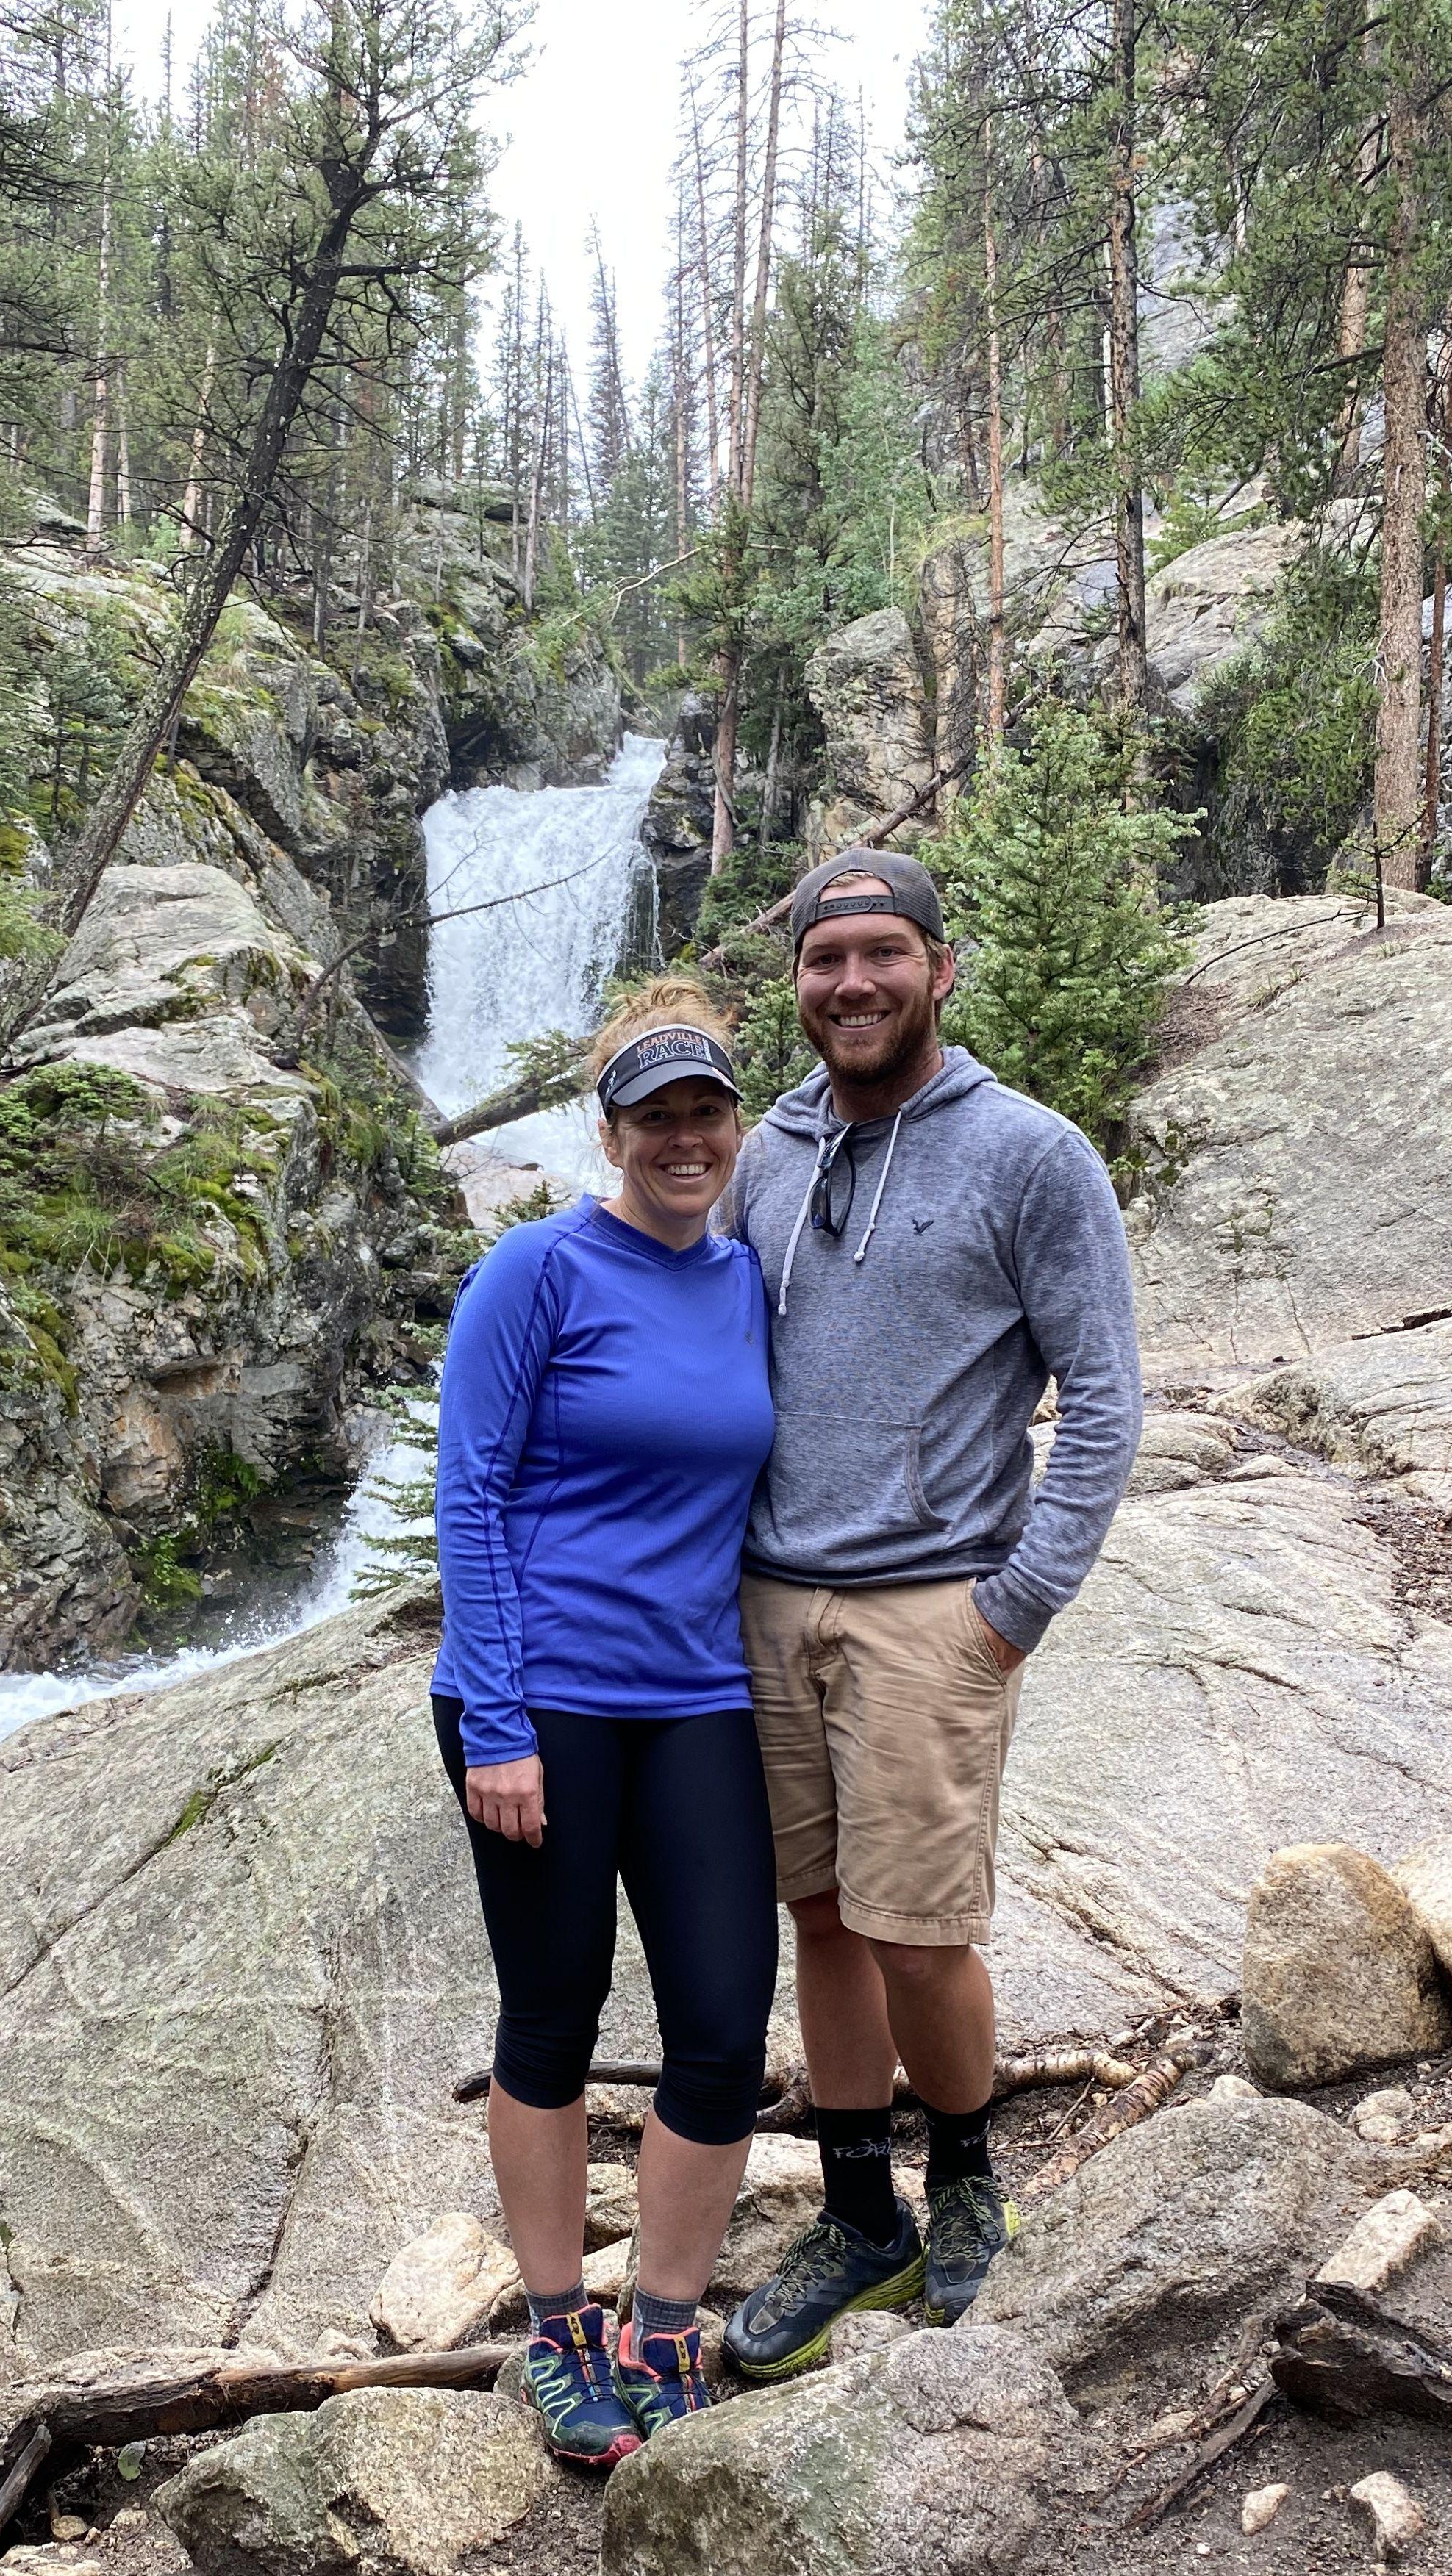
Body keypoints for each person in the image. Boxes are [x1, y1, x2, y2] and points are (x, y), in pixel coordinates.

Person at [717, 848, 1143, 2378]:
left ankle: (965, 2184)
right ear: (801, 984)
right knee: (820, 1919)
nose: (853, 984)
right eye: (827, 960)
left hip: (929, 1610)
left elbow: (1103, 1394)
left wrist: (1015, 1606)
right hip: (766, 1603)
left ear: (940, 969)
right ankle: (858, 2213)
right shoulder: (767, 1151)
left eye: (883, 954)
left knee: (919, 1931)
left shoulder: (1032, 1157)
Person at [429, 984, 779, 2465]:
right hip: (543, 1704)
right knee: (552, 2021)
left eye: (706, 1111)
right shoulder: (537, 1272)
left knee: (718, 2027)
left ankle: (667, 2324)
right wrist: (496, 1718)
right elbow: (472, 1490)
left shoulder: (749, 1279)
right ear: (612, 1130)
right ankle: (563, 2326)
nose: (684, 1138)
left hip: (699, 1695)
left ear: (734, 1125)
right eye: (657, 1116)